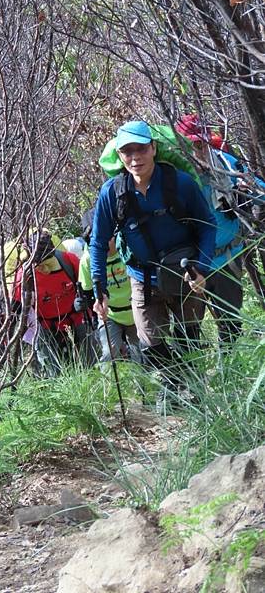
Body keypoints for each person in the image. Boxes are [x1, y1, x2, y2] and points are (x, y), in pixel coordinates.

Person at [90, 120, 216, 413]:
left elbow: (207, 225)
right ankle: (173, 384)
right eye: (128, 152)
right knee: (150, 341)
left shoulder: (179, 183)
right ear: (120, 156)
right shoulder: (113, 193)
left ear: (153, 148)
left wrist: (202, 267)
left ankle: (195, 393)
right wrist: (100, 288)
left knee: (189, 335)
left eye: (141, 149)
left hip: (185, 274)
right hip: (142, 276)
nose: (135, 158)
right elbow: (98, 242)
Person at [176, 114, 265, 340]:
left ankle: (229, 371)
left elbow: (262, 194)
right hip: (191, 265)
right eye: (192, 145)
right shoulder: (174, 178)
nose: (199, 150)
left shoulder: (226, 163)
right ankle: (198, 374)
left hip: (227, 260)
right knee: (188, 332)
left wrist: (246, 190)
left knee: (230, 327)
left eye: (201, 143)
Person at [12, 230, 95, 377]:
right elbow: (16, 308)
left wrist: (85, 302)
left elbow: (88, 288)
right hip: (46, 328)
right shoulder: (24, 275)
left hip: (76, 320)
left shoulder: (68, 261)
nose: (43, 268)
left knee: (89, 367)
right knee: (54, 375)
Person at [76, 210, 141, 366]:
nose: (100, 245)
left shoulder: (128, 247)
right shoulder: (87, 260)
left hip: (137, 309)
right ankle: (110, 389)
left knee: (142, 354)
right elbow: (87, 291)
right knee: (109, 355)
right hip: (110, 315)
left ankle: (145, 388)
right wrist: (81, 302)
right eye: (93, 241)